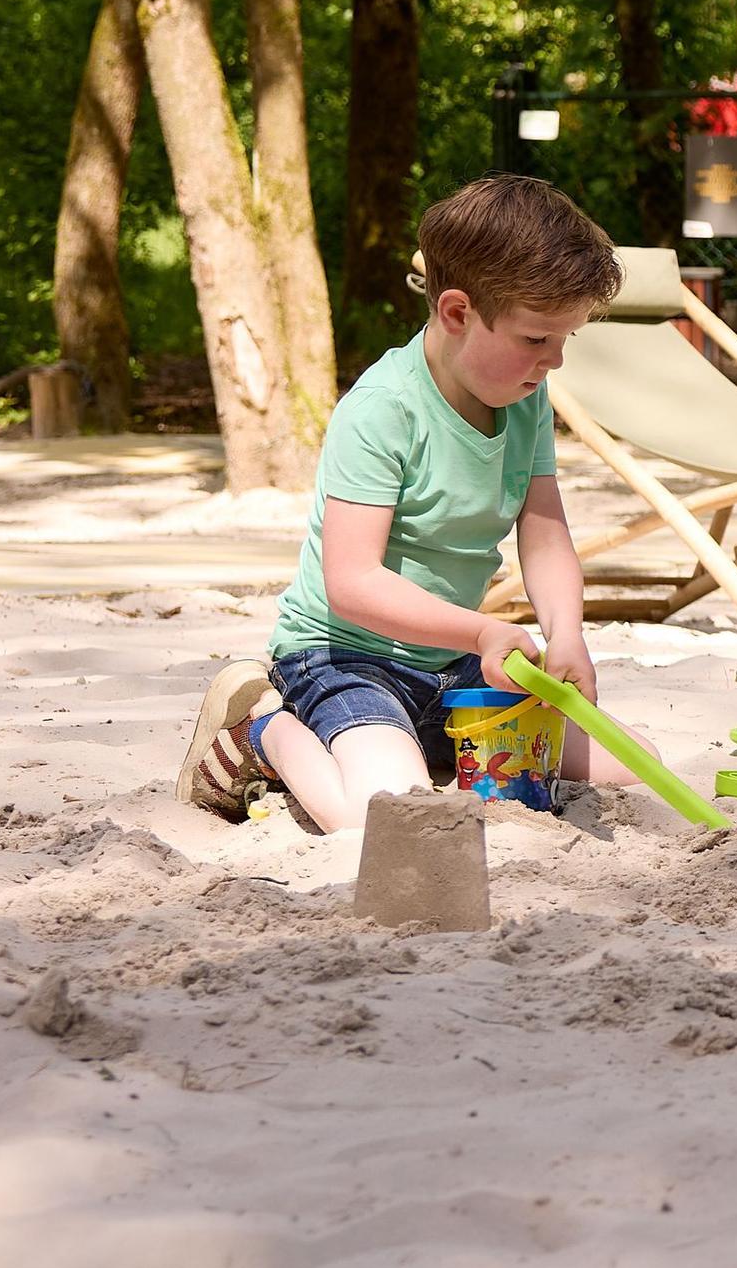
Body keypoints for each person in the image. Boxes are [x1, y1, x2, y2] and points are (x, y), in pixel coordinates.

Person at [173, 175, 625, 833]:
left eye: (566, 340)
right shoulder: (382, 410)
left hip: (450, 666)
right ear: (456, 312)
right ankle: (263, 730)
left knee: (632, 762)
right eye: (535, 339)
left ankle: (412, 744)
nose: (553, 360)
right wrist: (480, 630)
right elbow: (351, 583)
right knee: (383, 816)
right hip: (345, 656)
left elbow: (545, 533)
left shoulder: (525, 400)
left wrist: (568, 634)